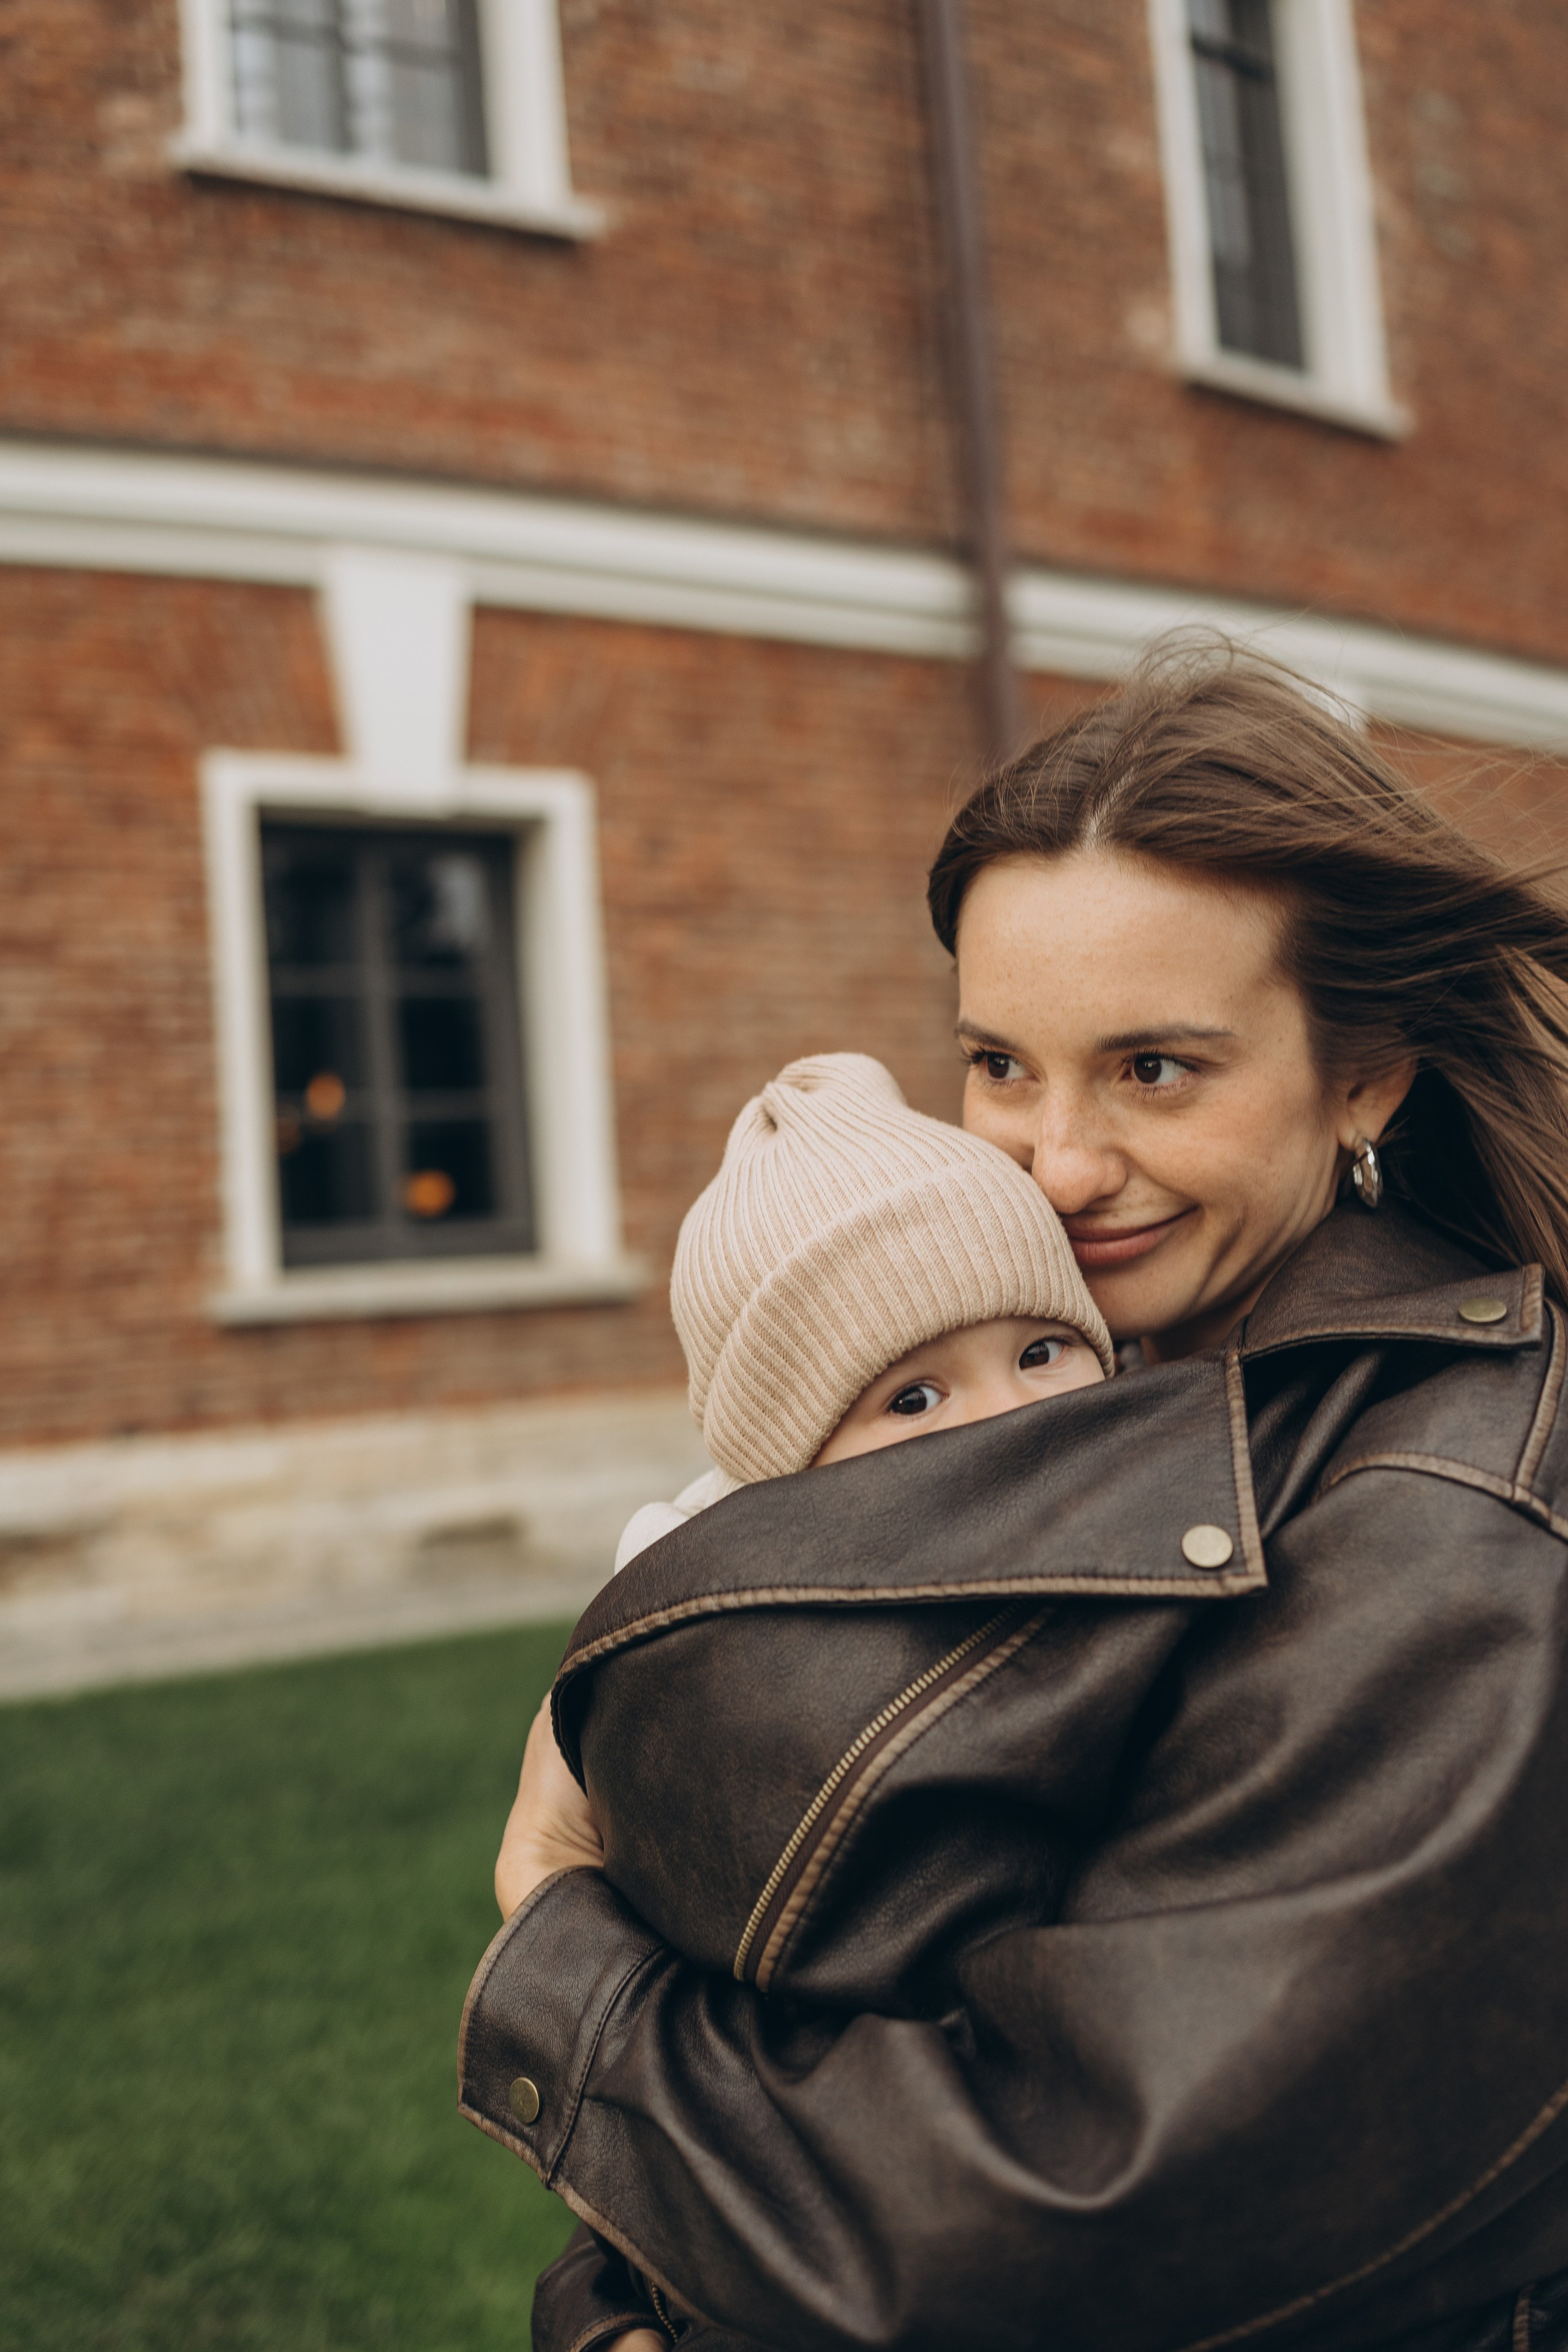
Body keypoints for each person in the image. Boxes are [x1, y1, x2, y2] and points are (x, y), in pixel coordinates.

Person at [460, 645, 1568, 2352]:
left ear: (1366, 1073)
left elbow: (1077, 2218)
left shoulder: (1442, 1509)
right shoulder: (1102, 1398)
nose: (1051, 1161)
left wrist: (556, 1930)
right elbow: (853, 1963)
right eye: (999, 1064)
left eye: (1156, 1072)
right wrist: (612, 2304)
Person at [612, 1046, 1113, 1581]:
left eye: (1041, 1353)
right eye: (913, 1400)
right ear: (783, 1487)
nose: (1014, 1416)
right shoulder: (745, 1651)